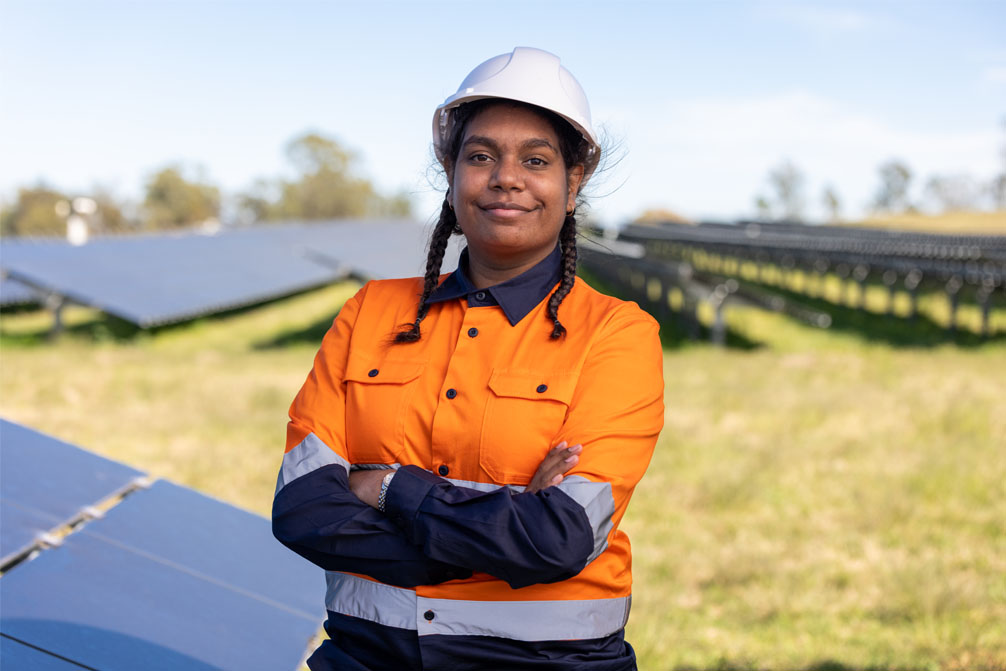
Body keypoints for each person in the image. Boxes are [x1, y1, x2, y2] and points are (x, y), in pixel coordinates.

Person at [272, 46, 664, 670]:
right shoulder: (370, 312)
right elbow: (302, 510)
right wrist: (499, 533)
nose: (506, 177)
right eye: (481, 156)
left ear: (573, 181)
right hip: (365, 655)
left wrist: (386, 486)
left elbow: (559, 538)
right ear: (450, 170)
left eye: (535, 160)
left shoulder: (616, 333)